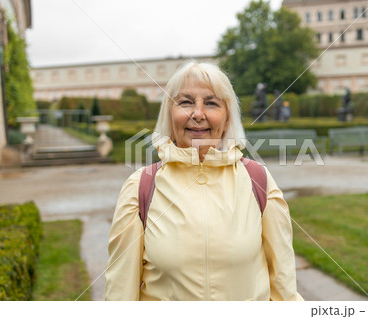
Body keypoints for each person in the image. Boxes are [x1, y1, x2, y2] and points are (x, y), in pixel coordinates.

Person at [105, 61, 303, 301]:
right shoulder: (140, 187)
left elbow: (284, 290)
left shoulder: (258, 180)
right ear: (169, 113)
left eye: (211, 103)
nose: (197, 114)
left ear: (227, 117)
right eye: (186, 102)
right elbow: (120, 295)